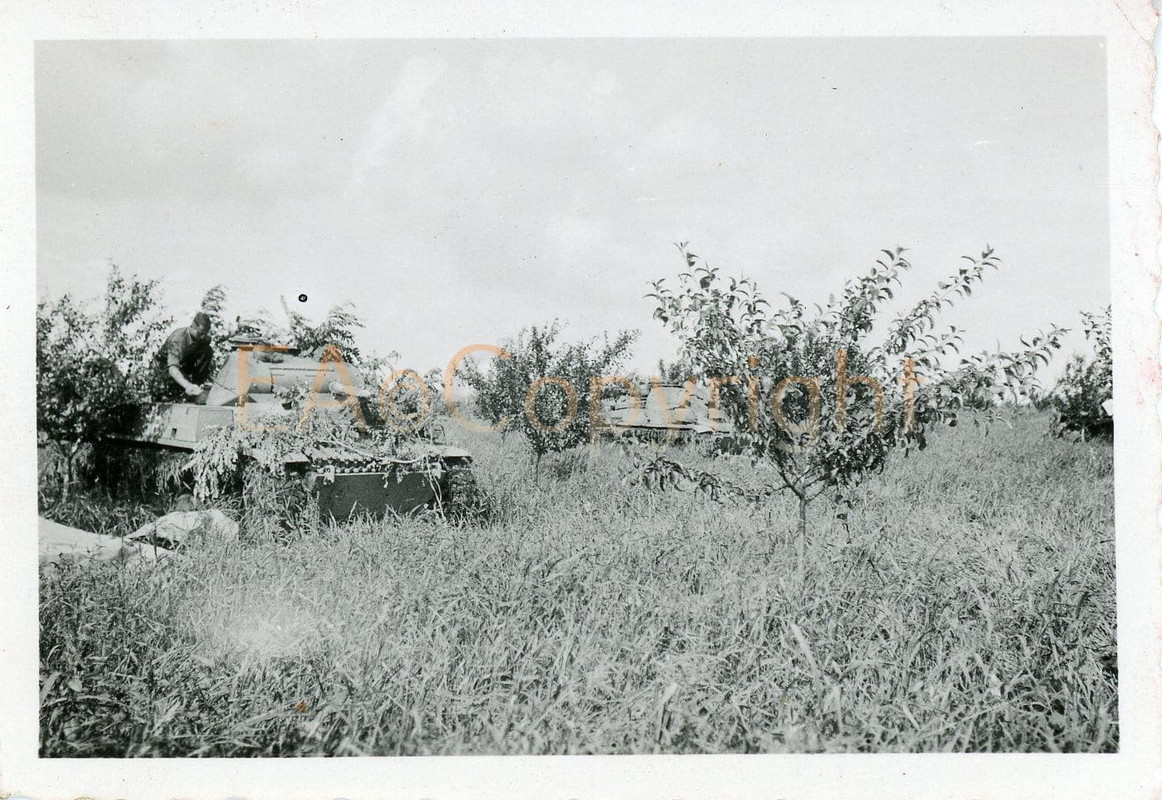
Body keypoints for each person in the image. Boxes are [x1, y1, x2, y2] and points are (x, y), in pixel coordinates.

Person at [150, 312, 215, 402]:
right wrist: (188, 386)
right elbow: (173, 368)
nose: (203, 337)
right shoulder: (178, 340)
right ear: (192, 327)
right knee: (166, 397)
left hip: (183, 366)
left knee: (208, 350)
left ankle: (196, 389)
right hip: (164, 371)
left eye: (205, 333)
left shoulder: (204, 338)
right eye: (200, 333)